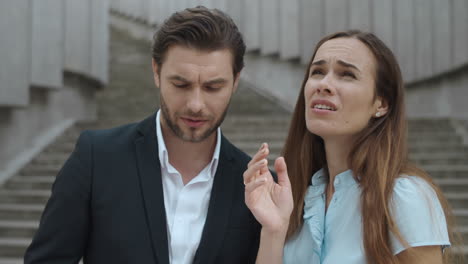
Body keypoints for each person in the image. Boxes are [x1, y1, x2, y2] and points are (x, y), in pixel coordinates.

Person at [25, 6, 261, 264]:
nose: (196, 103)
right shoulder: (96, 159)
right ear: (156, 72)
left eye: (213, 87)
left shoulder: (254, 186)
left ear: (236, 81)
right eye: (181, 84)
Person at [244, 30, 457, 264]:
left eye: (347, 75)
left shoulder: (405, 198)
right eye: (317, 72)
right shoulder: (299, 198)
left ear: (382, 103)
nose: (324, 84)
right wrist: (274, 230)